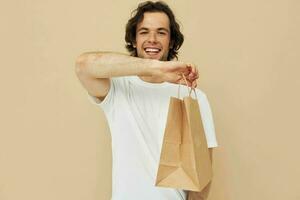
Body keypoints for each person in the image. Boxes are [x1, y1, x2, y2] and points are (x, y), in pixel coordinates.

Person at [75, 1, 218, 199]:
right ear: (133, 39)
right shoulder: (118, 89)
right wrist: (155, 67)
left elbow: (202, 177)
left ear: (171, 40)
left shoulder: (194, 97)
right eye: (144, 32)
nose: (152, 39)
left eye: (161, 32)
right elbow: (83, 66)